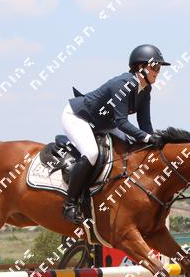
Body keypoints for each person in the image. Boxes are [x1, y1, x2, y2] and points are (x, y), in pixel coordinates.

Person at [59, 44, 170, 223]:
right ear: (140, 67)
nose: (158, 72)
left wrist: (152, 142)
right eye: (155, 67)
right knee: (91, 153)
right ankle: (69, 205)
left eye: (159, 68)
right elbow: (122, 122)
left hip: (104, 123)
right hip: (78, 116)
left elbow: (145, 123)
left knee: (130, 147)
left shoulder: (145, 89)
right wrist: (147, 137)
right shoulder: (124, 84)